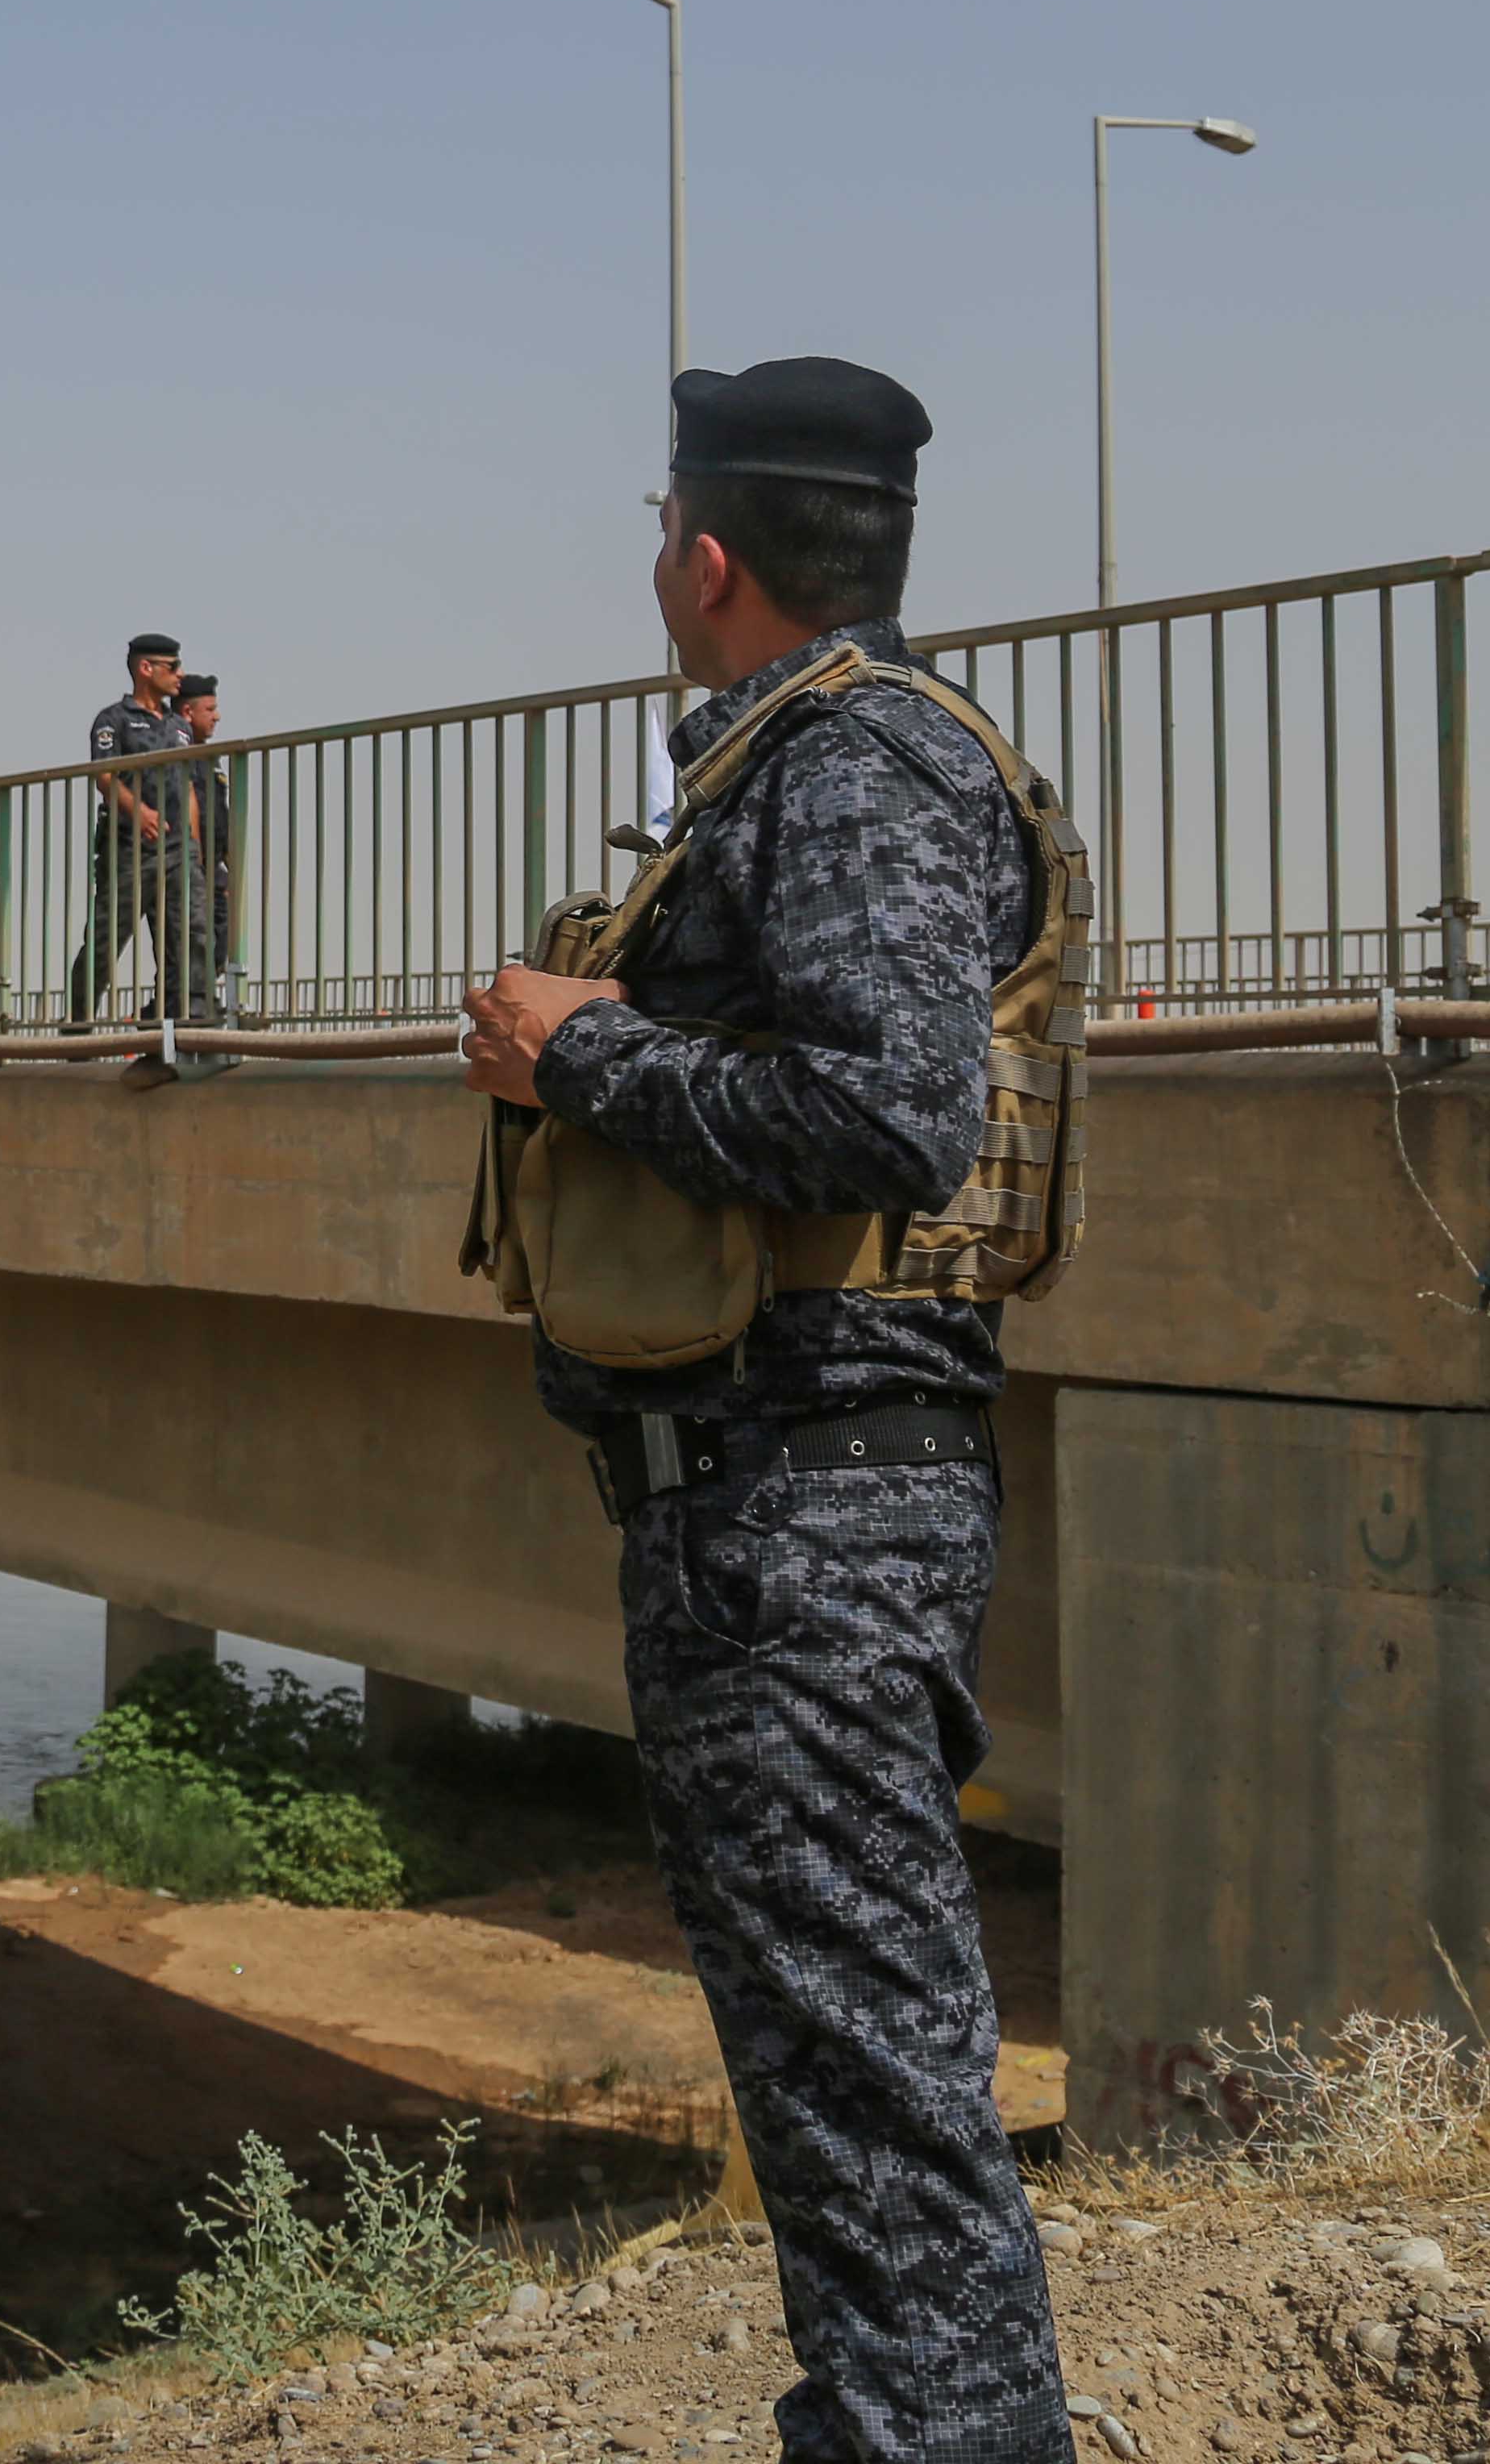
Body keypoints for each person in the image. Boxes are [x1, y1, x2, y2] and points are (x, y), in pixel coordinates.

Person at [458, 357, 1071, 2462]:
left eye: (661, 535)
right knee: (845, 2107)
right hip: (766, 1519)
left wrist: (581, 1055)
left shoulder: (859, 767)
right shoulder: (801, 761)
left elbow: (891, 1117)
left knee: (873, 2118)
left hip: (803, 1522)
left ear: (707, 563)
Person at [66, 634, 194, 1030]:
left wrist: (197, 849)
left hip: (178, 854)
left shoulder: (179, 726)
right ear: (146, 669)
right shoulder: (114, 720)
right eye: (172, 667)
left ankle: (170, 1031)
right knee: (104, 945)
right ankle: (77, 1026)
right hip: (129, 851)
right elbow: (103, 777)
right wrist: (139, 812)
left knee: (185, 947)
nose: (180, 675)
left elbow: (188, 787)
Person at [175, 675, 238, 1020]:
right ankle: (187, 1005)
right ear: (188, 711)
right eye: (210, 709)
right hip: (189, 862)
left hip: (213, 865)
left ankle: (201, 1000)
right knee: (192, 939)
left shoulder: (209, 759)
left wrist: (230, 864)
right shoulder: (178, 756)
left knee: (221, 933)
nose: (217, 717)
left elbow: (219, 814)